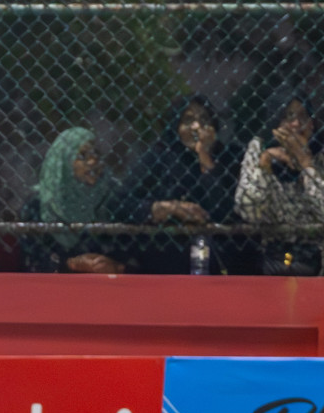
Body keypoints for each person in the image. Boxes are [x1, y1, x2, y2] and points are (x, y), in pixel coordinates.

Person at [113, 95, 240, 274]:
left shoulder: (228, 158)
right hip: (165, 257)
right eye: (188, 120)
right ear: (176, 126)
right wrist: (163, 208)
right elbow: (119, 203)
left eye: (204, 120)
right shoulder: (160, 156)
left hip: (216, 259)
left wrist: (205, 157)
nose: (197, 127)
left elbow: (226, 210)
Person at [235, 86, 324, 276]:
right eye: (288, 116)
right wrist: (265, 164)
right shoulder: (260, 147)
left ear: (312, 124)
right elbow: (248, 209)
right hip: (272, 259)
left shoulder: (320, 156)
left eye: (304, 117)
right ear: (275, 123)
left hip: (317, 260)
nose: (296, 124)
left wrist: (306, 165)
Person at [21, 128, 122, 274]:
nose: (93, 161)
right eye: (82, 156)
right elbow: (34, 259)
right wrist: (71, 264)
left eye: (96, 155)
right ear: (64, 161)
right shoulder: (40, 203)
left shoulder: (110, 197)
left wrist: (110, 263)